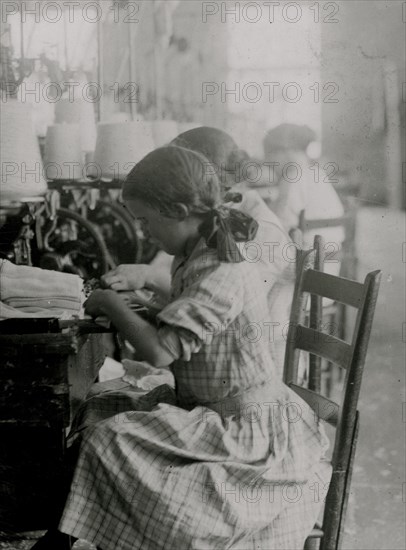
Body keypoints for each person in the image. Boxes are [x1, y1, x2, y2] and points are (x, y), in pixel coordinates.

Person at [32, 146, 331, 550]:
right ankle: (63, 532)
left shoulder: (220, 270)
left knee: (110, 440)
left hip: (247, 433)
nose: (143, 231)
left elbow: (160, 354)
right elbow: (191, 327)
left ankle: (88, 537)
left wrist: (113, 306)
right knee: (99, 409)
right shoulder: (194, 255)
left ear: (176, 210)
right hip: (208, 409)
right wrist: (149, 306)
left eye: (146, 220)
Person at [105, 127, 295, 377]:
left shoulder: (250, 233)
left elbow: (212, 293)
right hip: (213, 360)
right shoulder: (213, 225)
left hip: (249, 366)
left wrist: (146, 278)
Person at [263, 124, 345, 276]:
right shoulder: (317, 173)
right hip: (327, 277)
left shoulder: (292, 177)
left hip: (302, 282)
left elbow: (275, 230)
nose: (267, 161)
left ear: (286, 151)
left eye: (270, 154)